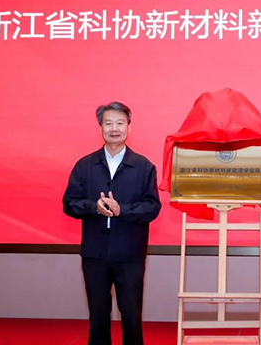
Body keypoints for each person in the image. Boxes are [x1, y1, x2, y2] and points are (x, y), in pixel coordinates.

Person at [63, 102, 161, 345]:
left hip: (130, 253)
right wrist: (93, 207)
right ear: (100, 128)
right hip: (94, 253)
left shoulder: (144, 167)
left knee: (131, 315)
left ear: (129, 127)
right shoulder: (85, 165)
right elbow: (69, 203)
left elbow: (152, 207)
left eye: (119, 123)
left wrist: (122, 210)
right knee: (98, 315)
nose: (114, 128)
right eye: (108, 123)